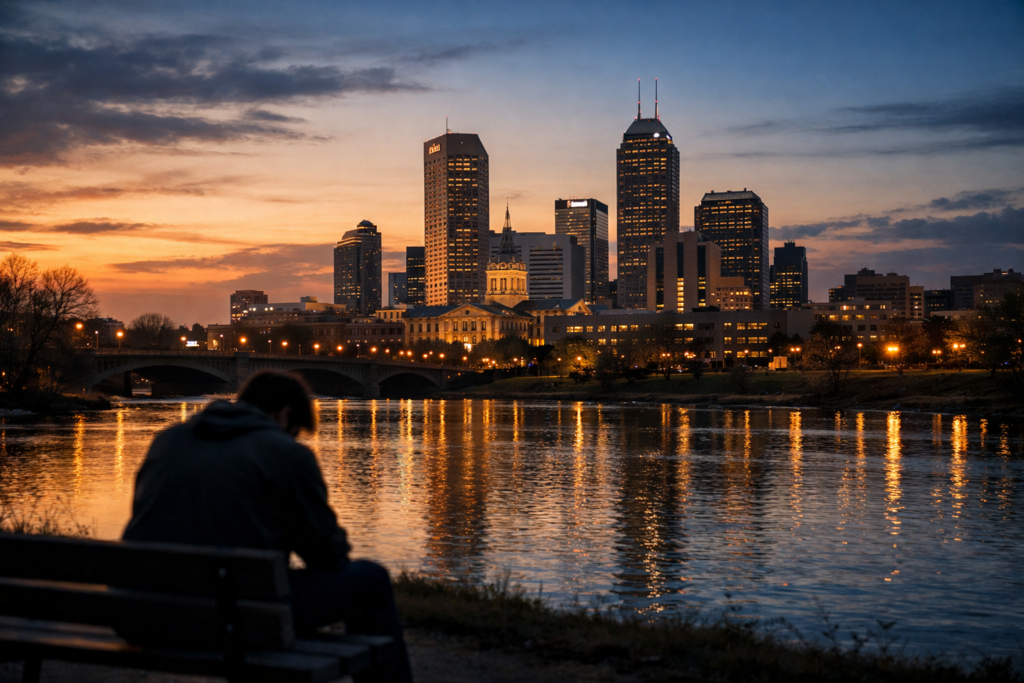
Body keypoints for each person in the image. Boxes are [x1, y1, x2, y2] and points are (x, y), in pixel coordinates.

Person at [123, 371, 412, 683]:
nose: (295, 438)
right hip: (233, 617)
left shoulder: (167, 439)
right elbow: (327, 555)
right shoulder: (285, 453)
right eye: (296, 431)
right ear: (285, 413)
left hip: (143, 615)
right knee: (372, 580)